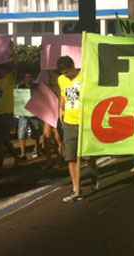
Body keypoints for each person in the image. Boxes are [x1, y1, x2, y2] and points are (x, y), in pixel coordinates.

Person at [57, 56, 85, 202]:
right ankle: (76, 189)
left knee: (87, 156)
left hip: (84, 122)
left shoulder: (84, 76)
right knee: (71, 157)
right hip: (69, 122)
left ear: (74, 66)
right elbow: (63, 96)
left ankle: (94, 173)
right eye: (63, 73)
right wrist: (60, 110)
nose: (66, 75)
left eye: (68, 72)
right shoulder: (61, 79)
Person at [16, 72, 41, 160]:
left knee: (36, 133)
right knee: (21, 134)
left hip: (34, 113)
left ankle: (37, 150)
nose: (28, 78)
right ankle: (23, 153)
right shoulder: (20, 86)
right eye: (26, 77)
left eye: (30, 77)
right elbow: (18, 100)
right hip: (23, 114)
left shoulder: (36, 86)